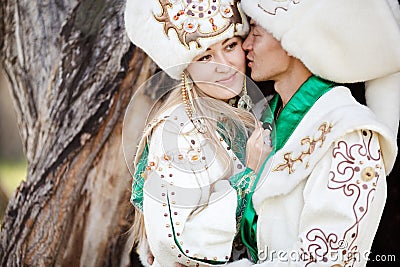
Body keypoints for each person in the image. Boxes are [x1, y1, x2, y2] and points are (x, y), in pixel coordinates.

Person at [219, 0, 400, 266]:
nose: (246, 45)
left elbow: (325, 260)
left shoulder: (352, 135)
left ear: (294, 42)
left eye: (256, 32)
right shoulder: (258, 117)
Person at [124, 1, 271, 266]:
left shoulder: (247, 111)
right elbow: (177, 243)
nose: (224, 65)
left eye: (230, 46)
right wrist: (248, 175)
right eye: (205, 57)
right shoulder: (179, 130)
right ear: (185, 68)